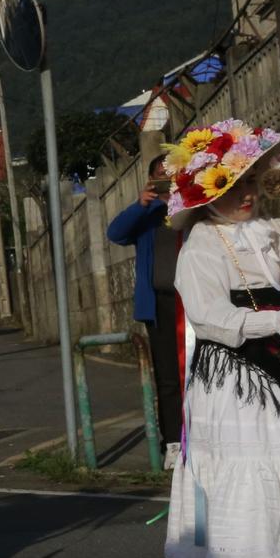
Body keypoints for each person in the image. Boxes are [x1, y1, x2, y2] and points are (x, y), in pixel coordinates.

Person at [160, 120, 280, 558]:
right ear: (206, 196)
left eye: (250, 182)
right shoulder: (203, 247)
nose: (246, 195)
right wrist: (276, 319)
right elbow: (210, 319)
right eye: (232, 187)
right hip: (233, 374)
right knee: (251, 461)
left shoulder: (279, 233)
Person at [106, 156, 184, 449]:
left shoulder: (193, 207)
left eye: (173, 174)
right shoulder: (147, 214)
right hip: (160, 305)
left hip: (193, 301)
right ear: (151, 179)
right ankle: (174, 440)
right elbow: (115, 233)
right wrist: (144, 203)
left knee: (199, 370)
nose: (168, 180)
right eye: (162, 175)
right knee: (167, 376)